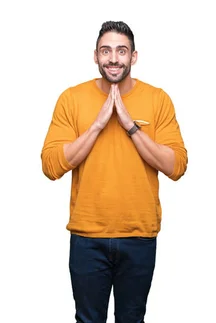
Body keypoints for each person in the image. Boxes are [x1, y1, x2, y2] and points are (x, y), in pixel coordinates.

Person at [41, 21, 188, 322]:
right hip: (87, 238)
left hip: (140, 236)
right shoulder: (71, 98)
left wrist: (130, 125)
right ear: (95, 56)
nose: (113, 58)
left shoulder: (158, 99)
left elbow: (177, 166)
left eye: (121, 51)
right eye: (106, 51)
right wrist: (97, 124)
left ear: (133, 57)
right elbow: (51, 165)